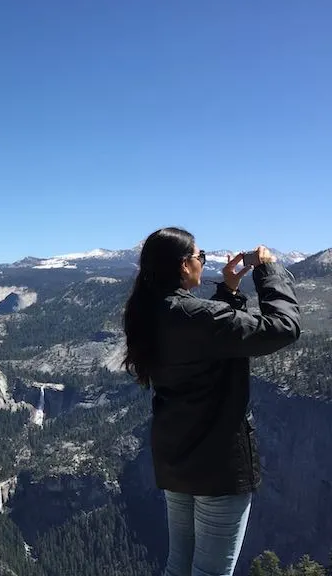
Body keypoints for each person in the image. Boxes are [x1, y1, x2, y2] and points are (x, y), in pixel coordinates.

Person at [122, 227, 301, 576]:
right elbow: (283, 327)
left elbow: (208, 336)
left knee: (180, 563)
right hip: (218, 465)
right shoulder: (193, 316)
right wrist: (268, 271)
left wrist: (229, 290)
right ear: (183, 266)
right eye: (200, 257)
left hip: (177, 459)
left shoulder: (151, 311)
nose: (203, 264)